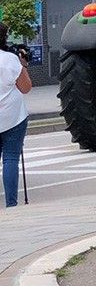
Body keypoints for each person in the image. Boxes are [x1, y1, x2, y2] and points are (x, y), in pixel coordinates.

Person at [0, 23, 32, 208]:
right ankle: (11, 203)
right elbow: (26, 87)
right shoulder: (10, 60)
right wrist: (22, 65)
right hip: (12, 117)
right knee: (11, 158)